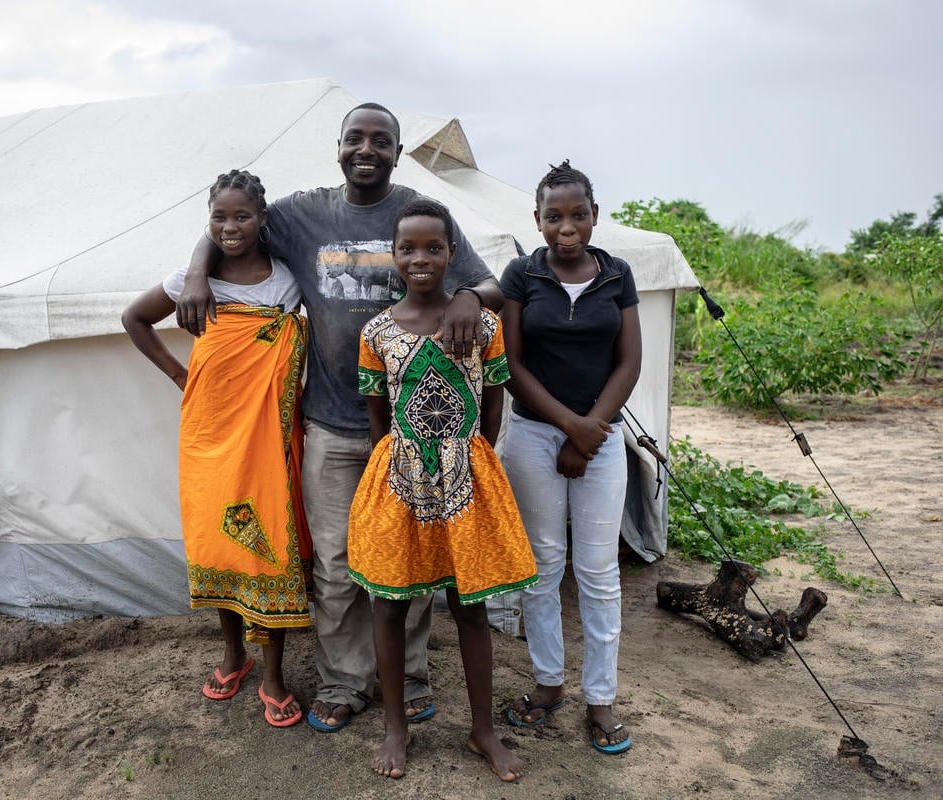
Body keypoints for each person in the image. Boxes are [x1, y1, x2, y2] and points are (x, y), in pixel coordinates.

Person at [174, 103, 503, 733]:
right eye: (356, 138)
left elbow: (487, 283)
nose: (367, 149)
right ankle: (343, 681)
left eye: (382, 141)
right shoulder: (303, 213)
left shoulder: (417, 211)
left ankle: (406, 678)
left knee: (409, 558)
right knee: (334, 561)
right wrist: (195, 273)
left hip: (414, 434)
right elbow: (231, 226)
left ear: (398, 152)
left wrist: (466, 295)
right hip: (329, 424)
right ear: (338, 146)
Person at [348, 198, 536, 781]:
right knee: (389, 605)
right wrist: (402, 462)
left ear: (453, 253)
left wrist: (468, 459)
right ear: (394, 256)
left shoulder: (482, 324)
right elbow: (379, 415)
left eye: (434, 248)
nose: (421, 258)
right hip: (399, 480)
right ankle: (396, 728)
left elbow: (494, 403)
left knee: (470, 605)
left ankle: (482, 730)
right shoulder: (376, 331)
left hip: (467, 479)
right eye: (408, 248)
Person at [121, 169, 310, 729]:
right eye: (219, 217)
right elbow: (135, 318)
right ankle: (233, 653)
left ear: (263, 219)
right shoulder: (189, 280)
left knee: (268, 539)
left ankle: (273, 674)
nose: (230, 227)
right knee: (217, 543)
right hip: (208, 433)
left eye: (242, 216)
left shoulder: (288, 280)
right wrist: (183, 377)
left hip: (269, 431)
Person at [499, 162, 642, 755]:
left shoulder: (618, 274)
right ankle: (549, 684)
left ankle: (601, 696)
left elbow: (628, 361)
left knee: (599, 572)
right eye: (553, 216)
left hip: (601, 439)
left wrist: (591, 434)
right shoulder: (520, 275)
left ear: (594, 215)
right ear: (537, 220)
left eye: (577, 214)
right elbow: (511, 365)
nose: (566, 227)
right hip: (534, 435)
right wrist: (568, 428)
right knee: (544, 562)